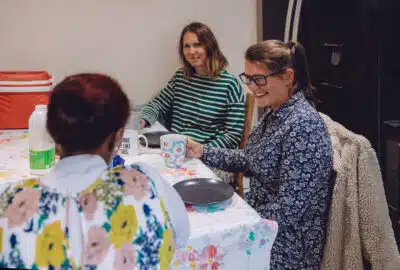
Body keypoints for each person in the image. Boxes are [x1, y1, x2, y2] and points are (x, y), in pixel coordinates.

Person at [0, 73, 190, 269]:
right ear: (118, 137)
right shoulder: (148, 183)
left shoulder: (8, 202)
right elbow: (182, 236)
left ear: (54, 138)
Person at [186, 40, 333, 269]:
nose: (253, 87)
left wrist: (236, 215)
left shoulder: (304, 126)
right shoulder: (275, 114)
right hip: (262, 225)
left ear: (288, 77)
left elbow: (289, 210)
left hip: (287, 246)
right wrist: (203, 151)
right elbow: (249, 159)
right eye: (249, 78)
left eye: (259, 79)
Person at [140, 22, 245, 150]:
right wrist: (143, 120)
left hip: (209, 157)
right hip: (176, 150)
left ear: (209, 47)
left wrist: (201, 151)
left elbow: (232, 136)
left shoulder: (230, 84)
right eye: (186, 46)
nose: (191, 51)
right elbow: (158, 104)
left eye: (197, 45)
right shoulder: (180, 77)